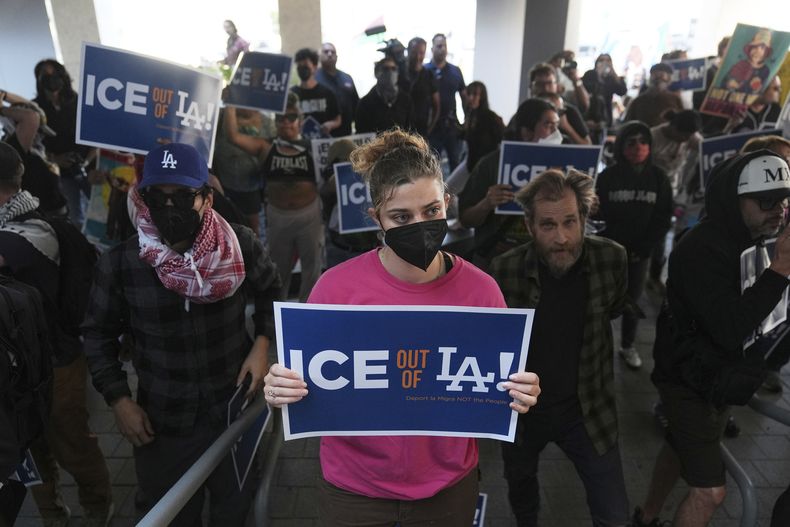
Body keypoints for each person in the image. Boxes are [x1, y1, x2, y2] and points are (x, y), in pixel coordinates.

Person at [261, 129, 541, 526]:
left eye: (431, 210)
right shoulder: (335, 289)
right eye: (401, 217)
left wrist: (520, 391)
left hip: (447, 488)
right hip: (353, 490)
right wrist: (280, 387)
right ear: (376, 218)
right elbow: (305, 384)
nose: (420, 225)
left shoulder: (482, 292)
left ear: (447, 203)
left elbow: (496, 386)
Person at [83, 143, 282, 525]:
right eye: (158, 197)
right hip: (164, 420)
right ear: (144, 199)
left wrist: (261, 345)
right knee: (172, 515)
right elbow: (97, 335)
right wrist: (119, 400)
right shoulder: (122, 263)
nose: (169, 207)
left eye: (183, 196)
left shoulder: (238, 245)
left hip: (232, 409)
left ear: (207, 198)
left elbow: (271, 290)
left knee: (234, 511)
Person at [634, 150, 790, 527]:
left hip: (715, 376)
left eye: (785, 200)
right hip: (689, 380)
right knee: (710, 492)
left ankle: (646, 516)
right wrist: (781, 269)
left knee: (678, 446)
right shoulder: (701, 249)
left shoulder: (755, 235)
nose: (779, 210)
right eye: (766, 201)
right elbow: (728, 327)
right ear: (735, 200)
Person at [490, 168, 631, 527]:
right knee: (521, 489)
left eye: (570, 222)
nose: (562, 238)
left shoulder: (612, 259)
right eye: (548, 225)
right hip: (523, 414)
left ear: (584, 218)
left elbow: (615, 307)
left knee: (615, 515)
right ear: (529, 225)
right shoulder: (504, 270)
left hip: (588, 411)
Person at [0, 142, 113, 527]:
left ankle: (98, 507)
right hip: (16, 368)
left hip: (55, 361)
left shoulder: (33, 230)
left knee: (71, 443)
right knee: (28, 448)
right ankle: (52, 514)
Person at [594, 122, 673, 370]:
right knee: (601, 300)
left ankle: (627, 345)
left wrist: (644, 247)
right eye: (631, 142)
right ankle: (598, 346)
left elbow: (663, 217)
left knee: (632, 303)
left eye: (643, 142)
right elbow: (599, 216)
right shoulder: (607, 177)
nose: (638, 147)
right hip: (609, 253)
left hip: (641, 254)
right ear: (621, 146)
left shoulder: (658, 178)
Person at [458, 99, 559, 270]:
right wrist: (486, 204)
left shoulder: (560, 167)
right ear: (526, 132)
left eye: (557, 126)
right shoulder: (491, 164)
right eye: (548, 125)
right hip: (497, 263)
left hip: (544, 262)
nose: (555, 132)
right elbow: (465, 219)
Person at [261, 93, 323, 301]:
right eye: (281, 118)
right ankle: (277, 314)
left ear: (300, 120)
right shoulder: (266, 147)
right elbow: (235, 138)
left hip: (309, 214)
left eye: (291, 117)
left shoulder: (313, 148)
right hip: (278, 215)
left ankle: (309, 312)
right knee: (277, 270)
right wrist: (233, 103)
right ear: (275, 121)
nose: (286, 122)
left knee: (312, 269)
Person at [33, 59, 94, 226]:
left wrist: (87, 161)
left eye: (55, 74)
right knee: (75, 218)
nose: (51, 79)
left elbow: (95, 133)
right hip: (61, 174)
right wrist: (55, 159)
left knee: (100, 209)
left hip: (89, 167)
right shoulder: (36, 108)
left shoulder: (77, 101)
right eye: (45, 75)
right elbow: (34, 146)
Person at [0, 89, 67, 216]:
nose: (38, 134)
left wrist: (6, 96)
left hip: (56, 215)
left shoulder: (34, 150)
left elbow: (35, 113)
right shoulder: (12, 149)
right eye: (37, 130)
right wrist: (2, 109)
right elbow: (31, 117)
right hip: (41, 217)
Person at [213, 106, 272, 235]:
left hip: (250, 184)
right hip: (225, 181)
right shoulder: (221, 116)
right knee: (225, 225)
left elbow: (269, 152)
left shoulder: (267, 122)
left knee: (252, 226)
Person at [425, 33, 467, 171]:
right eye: (439, 46)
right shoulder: (425, 71)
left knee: (455, 162)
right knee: (431, 166)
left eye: (444, 46)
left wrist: (466, 121)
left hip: (451, 126)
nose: (442, 49)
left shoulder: (455, 71)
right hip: (431, 128)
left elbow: (464, 96)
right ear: (432, 49)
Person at [530, 63, 590, 144]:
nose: (545, 88)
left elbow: (588, 145)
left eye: (549, 83)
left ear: (557, 85)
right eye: (539, 84)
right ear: (531, 87)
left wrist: (567, 127)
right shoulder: (525, 111)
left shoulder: (569, 111)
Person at [291, 48, 342, 138]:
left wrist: (330, 124)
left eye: (305, 65)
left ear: (314, 67)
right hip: (300, 142)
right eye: (299, 66)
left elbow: (338, 119)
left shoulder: (327, 93)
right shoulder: (292, 94)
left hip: (323, 142)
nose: (302, 69)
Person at [355, 56, 414, 134]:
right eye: (386, 69)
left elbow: (410, 130)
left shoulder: (406, 100)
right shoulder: (365, 103)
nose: (390, 73)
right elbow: (362, 134)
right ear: (376, 73)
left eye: (394, 69)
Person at [315, 42, 359, 137]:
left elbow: (356, 106)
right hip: (323, 135)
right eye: (326, 51)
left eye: (333, 52)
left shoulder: (347, 78)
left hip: (346, 133)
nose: (330, 54)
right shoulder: (314, 79)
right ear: (319, 56)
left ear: (337, 56)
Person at [623, 64, 684, 128]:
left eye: (661, 76)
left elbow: (682, 123)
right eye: (656, 77)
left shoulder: (675, 99)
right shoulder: (638, 101)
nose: (658, 80)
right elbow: (628, 126)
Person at [463, 81, 504, 172]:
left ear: (482, 97)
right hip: (472, 163)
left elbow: (501, 139)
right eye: (469, 94)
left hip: (485, 165)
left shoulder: (491, 118)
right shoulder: (470, 115)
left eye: (475, 94)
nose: (471, 98)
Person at [582, 54, 627, 134]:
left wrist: (613, 73)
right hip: (590, 114)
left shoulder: (611, 78)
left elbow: (622, 91)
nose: (604, 63)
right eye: (601, 60)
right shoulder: (590, 74)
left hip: (606, 114)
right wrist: (598, 74)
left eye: (608, 61)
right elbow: (587, 89)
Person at [720, 28, 773, 95]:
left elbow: (760, 90)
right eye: (754, 47)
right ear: (749, 49)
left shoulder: (765, 70)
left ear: (766, 53)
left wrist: (756, 88)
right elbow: (724, 81)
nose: (757, 52)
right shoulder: (741, 64)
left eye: (762, 48)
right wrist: (729, 83)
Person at [407, 37, 440, 139]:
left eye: (421, 53)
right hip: (401, 131)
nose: (417, 57)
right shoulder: (399, 74)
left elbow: (436, 106)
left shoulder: (429, 75)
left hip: (421, 132)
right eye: (414, 52)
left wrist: (428, 130)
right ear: (408, 51)